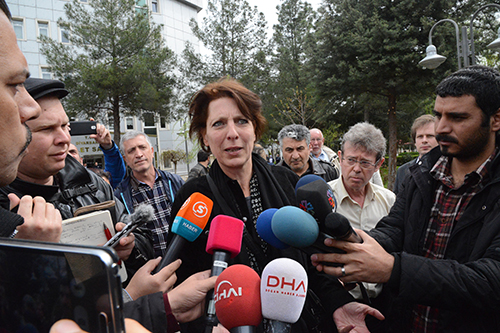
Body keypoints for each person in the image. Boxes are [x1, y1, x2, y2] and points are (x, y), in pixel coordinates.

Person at [168, 78, 383, 332]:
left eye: (241, 121)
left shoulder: (287, 182)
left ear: (255, 129)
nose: (232, 133)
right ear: (204, 136)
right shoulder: (194, 196)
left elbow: (312, 262)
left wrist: (339, 304)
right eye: (218, 124)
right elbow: (182, 284)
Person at [312, 65, 500, 332]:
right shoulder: (421, 174)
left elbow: (490, 281)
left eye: (457, 117)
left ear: (495, 119)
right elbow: (396, 229)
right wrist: (357, 243)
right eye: (438, 115)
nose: (441, 128)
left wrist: (393, 269)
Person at [0, 77, 154, 278]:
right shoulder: (5, 209)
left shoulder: (92, 183)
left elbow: (143, 240)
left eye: (65, 126)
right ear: (13, 134)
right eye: (47, 129)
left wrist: (131, 248)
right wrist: (22, 257)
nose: (64, 138)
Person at [0, 1, 63, 241]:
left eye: (65, 126)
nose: (31, 108)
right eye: (14, 85)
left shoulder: (93, 185)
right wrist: (34, 261)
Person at [327, 122, 395, 330]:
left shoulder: (389, 201)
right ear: (340, 157)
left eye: (365, 163)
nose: (356, 169)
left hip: (383, 308)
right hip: (337, 307)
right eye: (351, 160)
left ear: (378, 164)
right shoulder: (323, 198)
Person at [115, 131, 184, 258]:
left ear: (152, 151)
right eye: (131, 151)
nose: (139, 154)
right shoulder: (121, 196)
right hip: (149, 270)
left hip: (184, 262)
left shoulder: (175, 182)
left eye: (142, 147)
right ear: (125, 159)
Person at [393, 114, 437, 195]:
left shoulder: (446, 170)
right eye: (420, 136)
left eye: (430, 136)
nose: (424, 140)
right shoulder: (403, 171)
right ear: (415, 142)